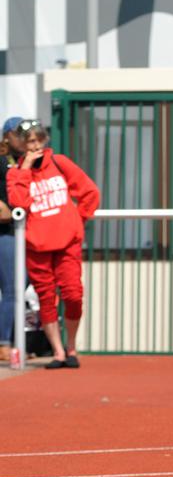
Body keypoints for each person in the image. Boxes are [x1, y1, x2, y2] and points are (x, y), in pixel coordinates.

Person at [5, 120, 100, 368]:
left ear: (44, 141)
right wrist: (24, 170)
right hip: (37, 246)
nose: (35, 147)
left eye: (38, 141)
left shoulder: (59, 162)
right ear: (21, 146)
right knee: (46, 299)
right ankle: (58, 352)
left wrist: (78, 221)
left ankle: (71, 347)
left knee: (73, 294)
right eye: (29, 143)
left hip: (68, 242)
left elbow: (90, 191)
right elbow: (19, 203)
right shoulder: (15, 173)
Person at [0, 117, 25, 362]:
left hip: (23, 232)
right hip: (5, 233)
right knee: (12, 289)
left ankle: (13, 339)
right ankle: (4, 344)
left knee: (20, 285)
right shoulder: (1, 158)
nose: (23, 138)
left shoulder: (27, 161)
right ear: (7, 135)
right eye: (18, 133)